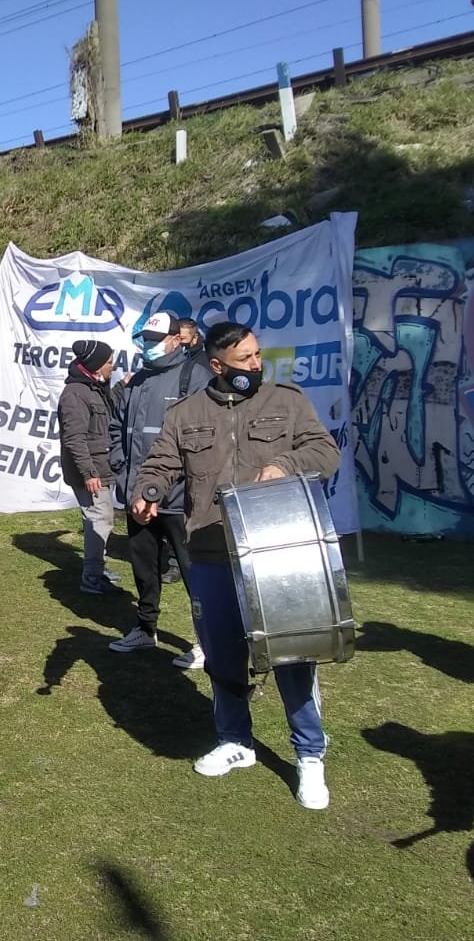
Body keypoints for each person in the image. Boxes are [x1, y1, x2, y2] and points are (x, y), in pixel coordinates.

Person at [132, 321, 341, 810]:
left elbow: (325, 451)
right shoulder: (186, 413)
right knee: (222, 655)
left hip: (275, 551)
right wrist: (148, 491)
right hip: (210, 551)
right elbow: (161, 463)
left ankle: (309, 754)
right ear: (216, 365)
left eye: (257, 355)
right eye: (244, 359)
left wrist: (285, 465)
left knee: (291, 654)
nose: (255, 364)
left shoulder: (286, 401)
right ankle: (235, 741)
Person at [108, 313, 212, 663]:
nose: (149, 346)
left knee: (194, 572)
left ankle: (208, 641)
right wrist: (122, 469)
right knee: (144, 567)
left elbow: (202, 440)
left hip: (179, 501)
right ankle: (145, 628)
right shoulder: (137, 379)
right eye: (146, 340)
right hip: (137, 498)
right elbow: (117, 427)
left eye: (156, 339)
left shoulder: (195, 378)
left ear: (176, 339)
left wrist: (168, 486)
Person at [58, 339, 124, 596]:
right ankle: (92, 578)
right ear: (96, 365)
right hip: (92, 472)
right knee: (99, 521)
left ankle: (98, 570)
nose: (112, 366)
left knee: (101, 519)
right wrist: (89, 472)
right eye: (109, 362)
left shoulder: (94, 387)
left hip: (99, 467)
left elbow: (105, 413)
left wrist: (121, 387)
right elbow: (74, 438)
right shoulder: (75, 394)